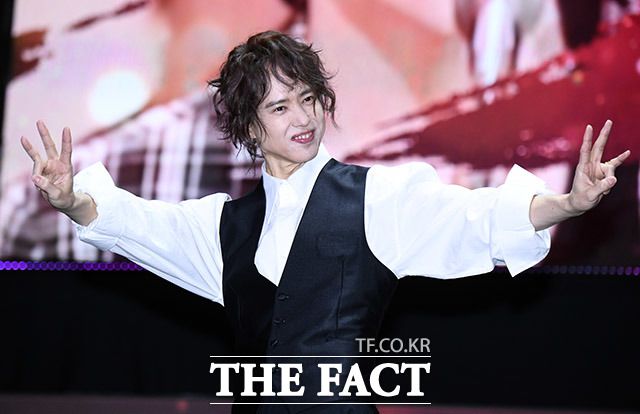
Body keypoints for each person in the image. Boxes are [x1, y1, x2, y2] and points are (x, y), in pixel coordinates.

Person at [20, 31, 630, 413]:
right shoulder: (222, 228)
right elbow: (134, 224)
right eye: (281, 106)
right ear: (249, 126)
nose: (303, 117)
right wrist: (71, 198)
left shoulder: (377, 198)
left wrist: (567, 204)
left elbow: (475, 217)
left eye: (309, 99)